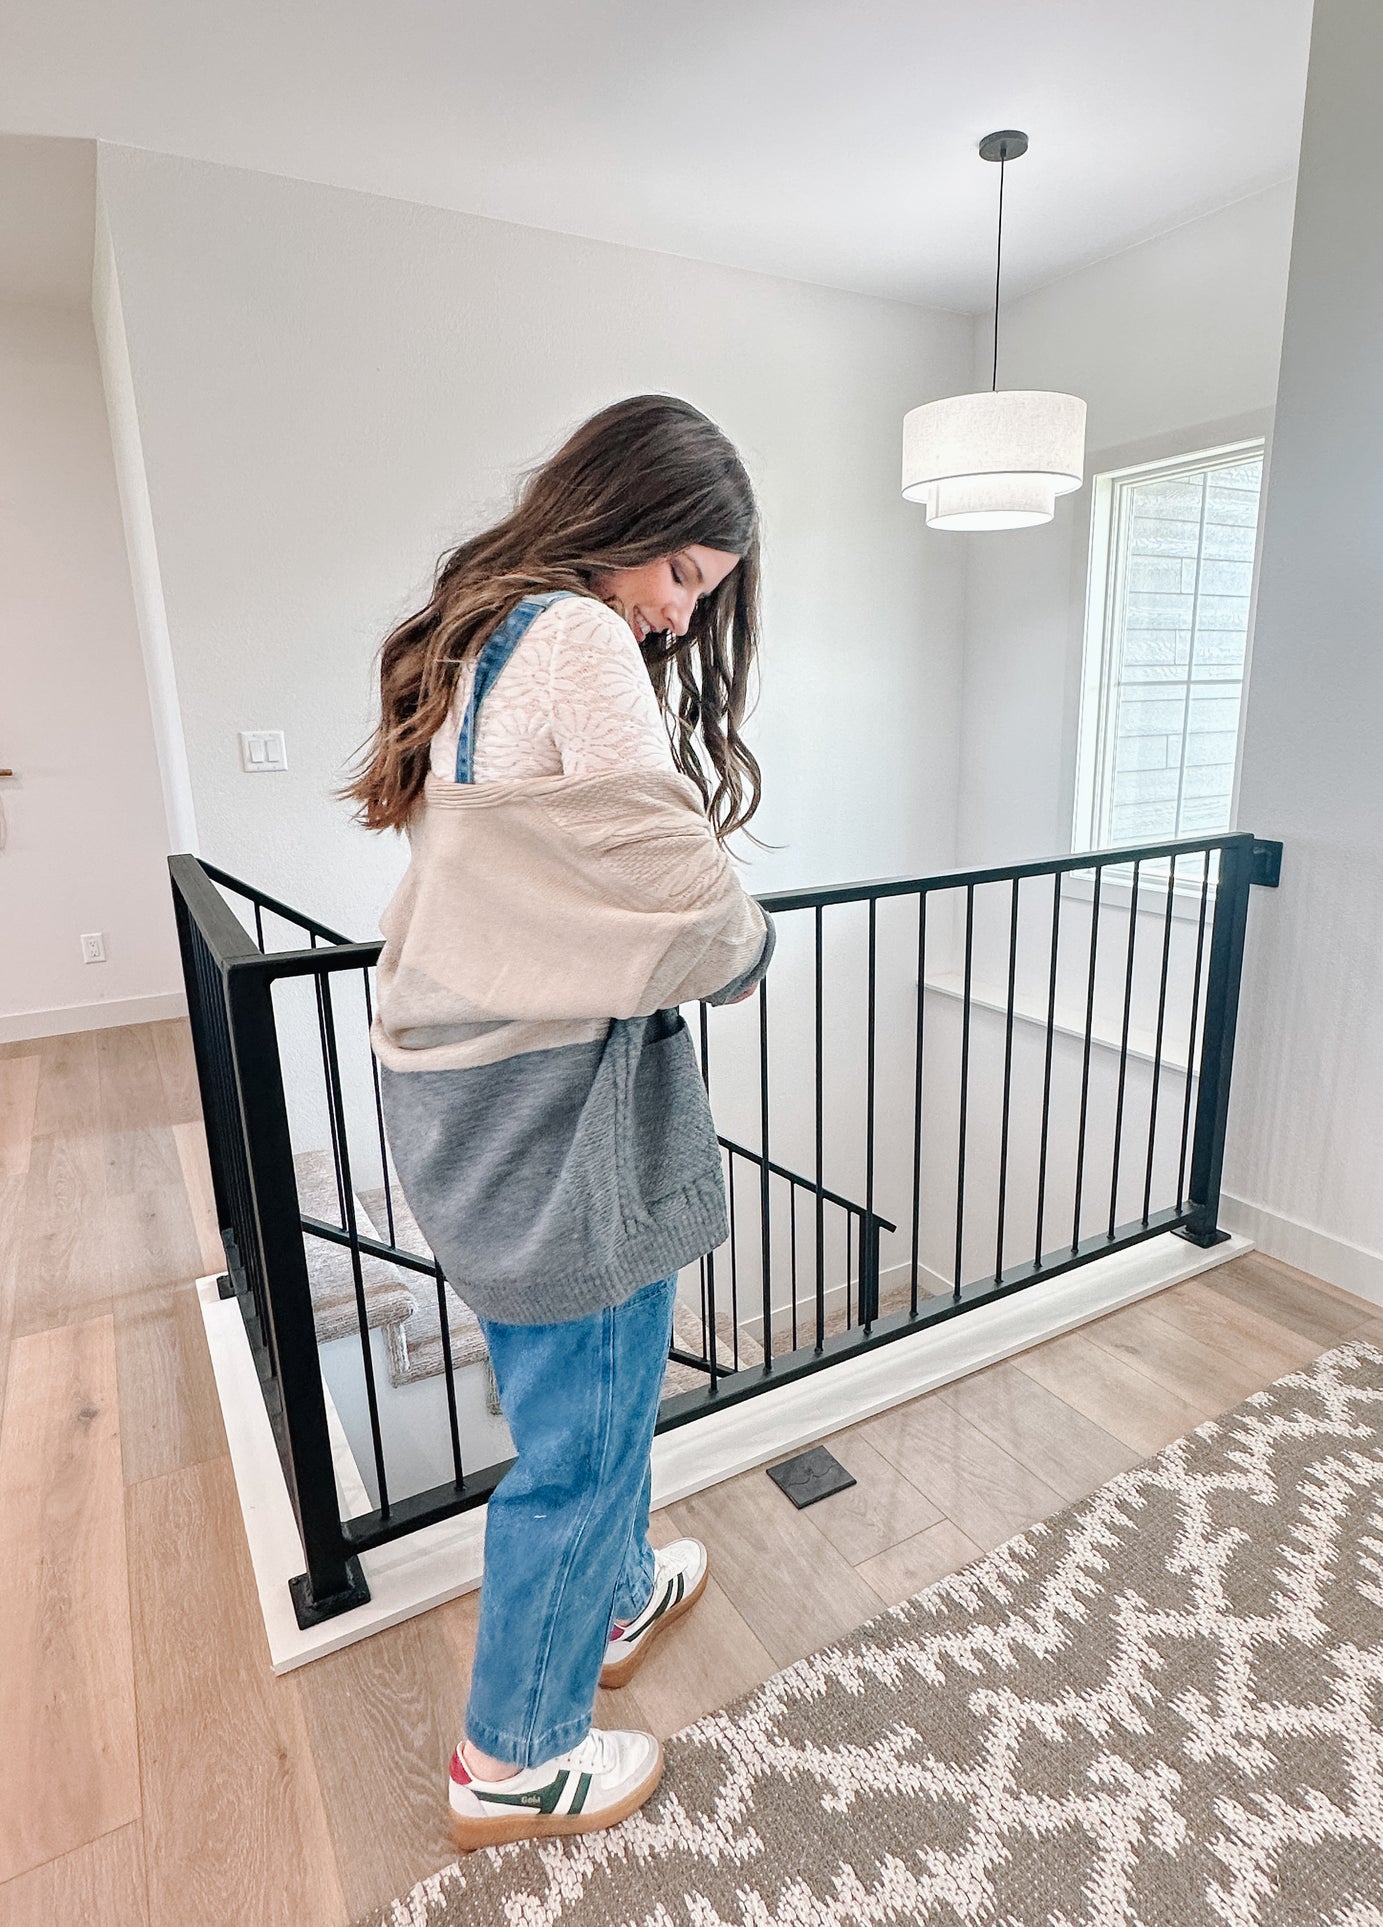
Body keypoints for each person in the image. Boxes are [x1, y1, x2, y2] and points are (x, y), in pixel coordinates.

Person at [348, 395, 774, 1851]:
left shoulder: (486, 629)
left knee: (602, 1379)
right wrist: (743, 934)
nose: (673, 616)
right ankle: (513, 1755)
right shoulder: (578, 634)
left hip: (476, 1077)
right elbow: (676, 883)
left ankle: (603, 1602)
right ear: (628, 524)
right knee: (581, 1433)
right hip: (550, 1100)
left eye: (699, 596)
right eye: (683, 577)